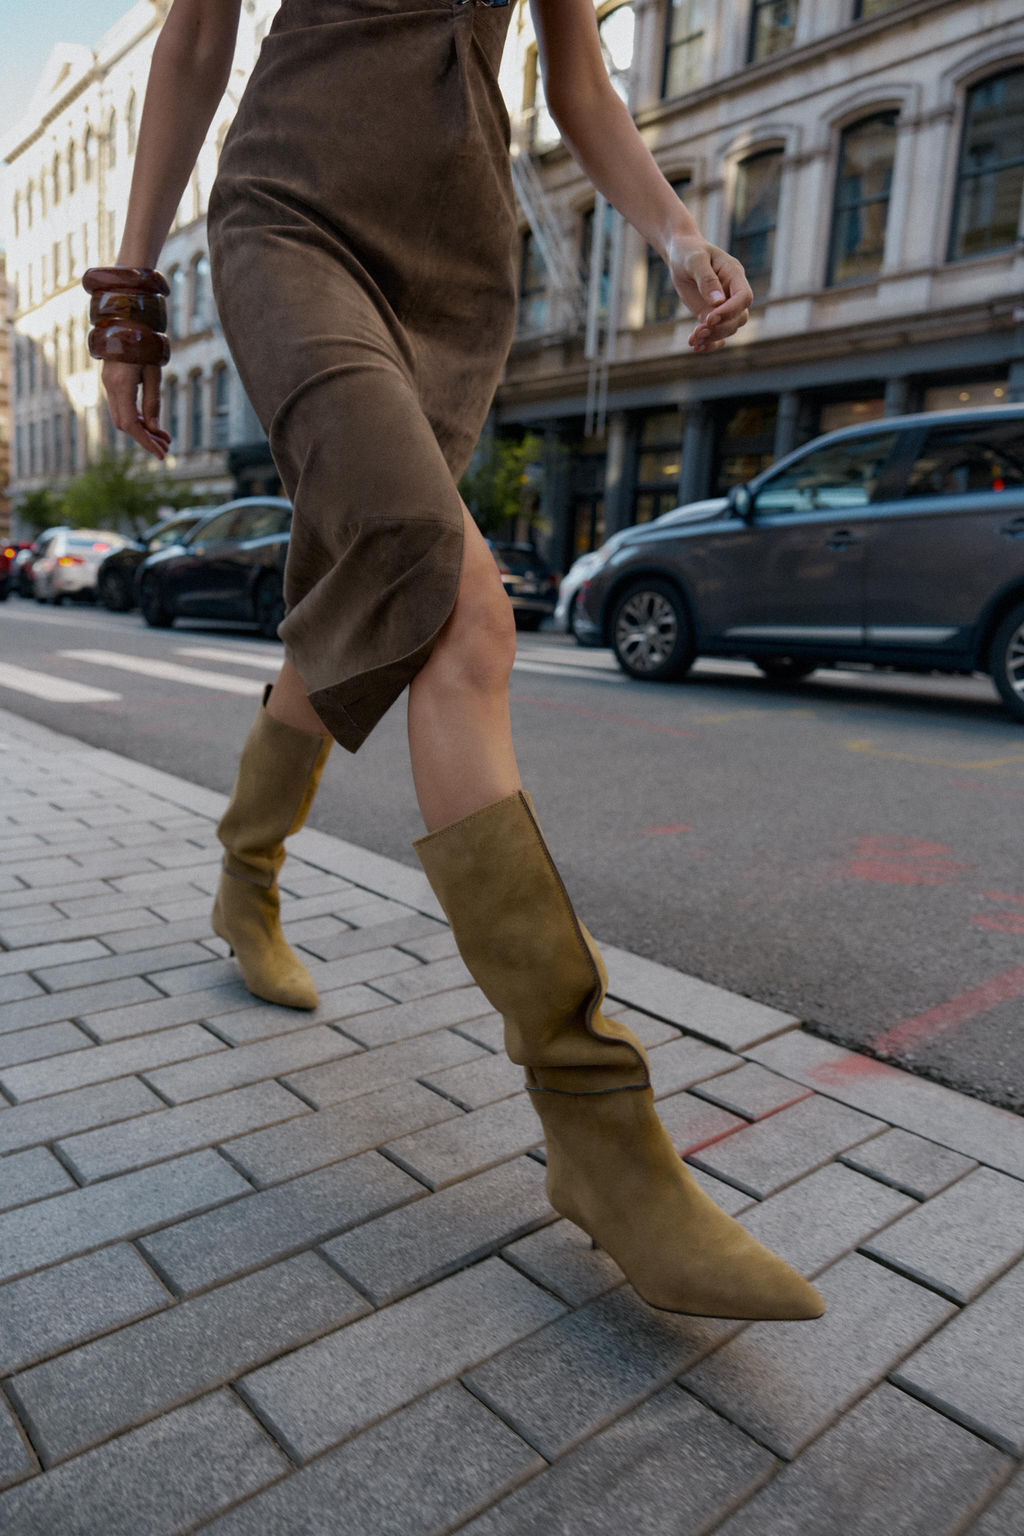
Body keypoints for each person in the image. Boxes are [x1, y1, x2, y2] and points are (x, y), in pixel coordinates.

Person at [87, 0, 824, 1322]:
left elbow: (580, 79)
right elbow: (194, 36)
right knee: (459, 611)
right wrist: (131, 295)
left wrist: (676, 229)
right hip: (290, 215)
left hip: (454, 269)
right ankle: (599, 1130)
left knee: (364, 595)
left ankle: (243, 879)